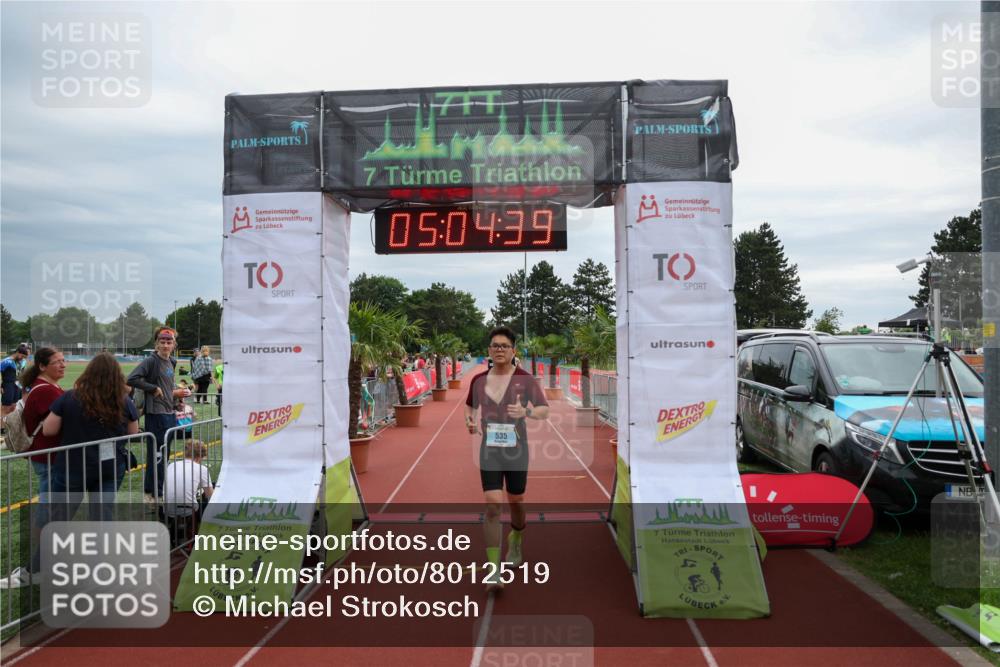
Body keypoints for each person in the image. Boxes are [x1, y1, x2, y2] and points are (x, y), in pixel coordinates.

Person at [464, 326, 549, 591]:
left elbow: (544, 410)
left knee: (517, 501)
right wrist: (469, 419)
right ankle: (493, 571)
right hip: (490, 450)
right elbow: (470, 405)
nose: (499, 350)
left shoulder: (525, 379)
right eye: (494, 346)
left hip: (517, 450)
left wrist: (525, 412)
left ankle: (517, 538)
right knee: (491, 505)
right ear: (489, 351)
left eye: (504, 346)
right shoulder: (479, 381)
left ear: (513, 351)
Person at [44, 353, 139, 523]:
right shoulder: (123, 400)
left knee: (60, 518)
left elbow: (48, 430)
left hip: (72, 464)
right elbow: (134, 431)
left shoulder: (70, 396)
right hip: (109, 465)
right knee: (102, 516)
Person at [0, 347, 66, 588]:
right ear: (42, 365)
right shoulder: (46, 390)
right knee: (50, 510)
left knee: (53, 509)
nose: (63, 365)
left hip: (48, 456)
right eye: (57, 362)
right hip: (48, 458)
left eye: (63, 361)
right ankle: (37, 568)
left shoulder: (47, 388)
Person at [127, 327, 188, 504]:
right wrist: (152, 388)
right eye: (162, 342)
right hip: (156, 414)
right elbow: (131, 379)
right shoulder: (151, 361)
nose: (165, 345)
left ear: (174, 345)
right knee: (157, 455)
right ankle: (152, 493)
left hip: (169, 413)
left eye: (169, 342)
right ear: (156, 344)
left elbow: (168, 387)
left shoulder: (172, 361)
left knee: (164, 455)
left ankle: (158, 490)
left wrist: (177, 402)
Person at [162, 439, 214, 542]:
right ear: (200, 456)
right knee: (207, 505)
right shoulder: (201, 468)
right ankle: (200, 537)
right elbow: (210, 496)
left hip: (166, 508)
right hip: (187, 509)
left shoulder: (172, 465)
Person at [1, 343, 30, 422]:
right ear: (18, 353)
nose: (22, 359)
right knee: (6, 407)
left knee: (13, 407)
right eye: (22, 356)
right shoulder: (6, 362)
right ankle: (1, 428)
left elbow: (22, 375)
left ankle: (8, 427)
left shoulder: (22, 362)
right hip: (8, 385)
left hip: (18, 386)